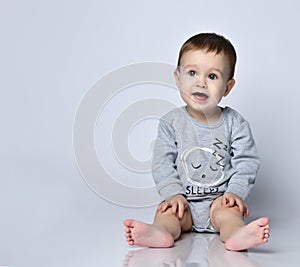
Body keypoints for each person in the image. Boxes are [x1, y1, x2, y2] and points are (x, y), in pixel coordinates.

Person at [124, 32, 270, 251]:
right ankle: (160, 232)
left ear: (228, 87)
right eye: (192, 73)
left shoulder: (234, 123)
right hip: (183, 202)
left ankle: (236, 235)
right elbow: (162, 162)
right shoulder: (171, 122)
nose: (201, 82)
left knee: (230, 216)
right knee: (168, 214)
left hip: (219, 202)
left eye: (212, 76)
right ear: (178, 77)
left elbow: (247, 161)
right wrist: (173, 193)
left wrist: (235, 193)